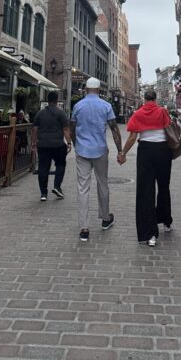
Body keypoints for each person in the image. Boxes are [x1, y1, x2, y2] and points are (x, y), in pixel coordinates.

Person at [70, 78, 122, 242]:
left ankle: (84, 228)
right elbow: (114, 129)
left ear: (85, 89)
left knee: (82, 187)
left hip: (82, 150)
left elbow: (72, 127)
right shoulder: (106, 106)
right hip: (100, 150)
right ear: (99, 89)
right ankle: (105, 218)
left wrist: (75, 143)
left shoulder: (78, 106)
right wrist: (120, 150)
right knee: (103, 183)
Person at [119, 90, 173, 248]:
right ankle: (166, 220)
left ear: (144, 99)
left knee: (146, 191)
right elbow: (168, 128)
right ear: (155, 99)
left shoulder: (138, 113)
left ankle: (150, 234)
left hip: (146, 152)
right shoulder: (162, 111)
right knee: (164, 187)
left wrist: (123, 153)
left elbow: (132, 137)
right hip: (163, 151)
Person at [32, 91, 72, 201]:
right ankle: (57, 186)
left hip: (43, 145)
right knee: (60, 165)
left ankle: (43, 193)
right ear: (57, 99)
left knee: (43, 168)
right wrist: (69, 142)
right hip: (58, 144)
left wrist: (33, 142)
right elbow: (65, 129)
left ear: (47, 100)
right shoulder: (61, 113)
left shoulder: (40, 113)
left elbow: (35, 129)